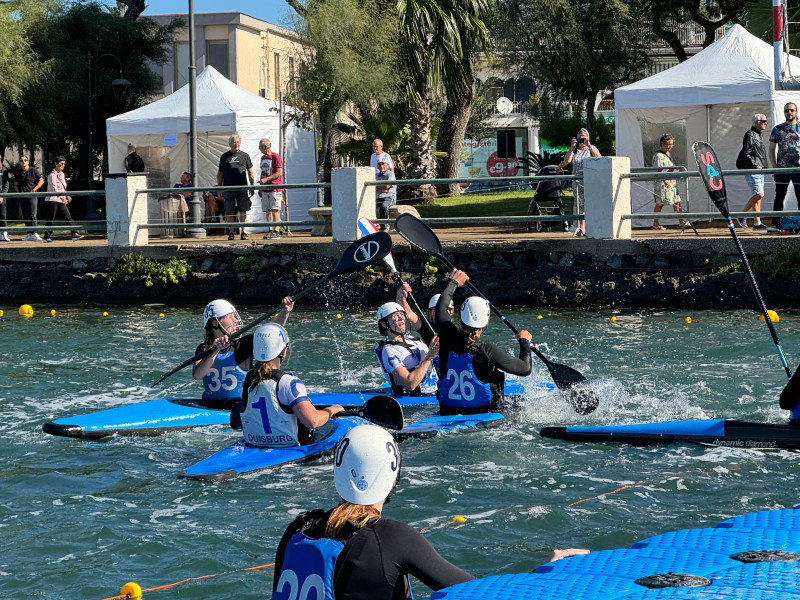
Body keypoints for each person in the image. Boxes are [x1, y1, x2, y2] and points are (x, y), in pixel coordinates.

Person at [271, 424, 588, 600]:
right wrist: (544, 572)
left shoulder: (297, 528)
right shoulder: (392, 537)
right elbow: (478, 594)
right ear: (393, 476)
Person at [231, 322, 343, 447]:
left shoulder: (246, 380)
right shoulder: (289, 383)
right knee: (331, 424)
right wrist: (332, 409)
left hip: (255, 444)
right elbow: (313, 421)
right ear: (283, 351)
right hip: (291, 447)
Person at [435, 270, 532, 415]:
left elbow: (441, 307)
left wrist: (454, 282)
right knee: (521, 402)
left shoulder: (446, 335)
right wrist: (524, 342)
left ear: (460, 318)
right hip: (485, 414)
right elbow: (525, 368)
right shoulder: (488, 350)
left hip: (448, 411)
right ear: (485, 324)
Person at [192, 296, 293, 408]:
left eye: (234, 316)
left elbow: (269, 332)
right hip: (208, 406)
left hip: (238, 407)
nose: (235, 320)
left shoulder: (242, 345)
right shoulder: (204, 349)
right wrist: (215, 350)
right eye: (230, 317)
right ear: (215, 323)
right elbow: (197, 375)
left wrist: (285, 311)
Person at [375, 295, 439, 396]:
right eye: (395, 316)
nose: (401, 318)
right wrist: (429, 356)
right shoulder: (389, 350)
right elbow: (410, 384)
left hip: (435, 391)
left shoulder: (414, 340)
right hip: (415, 396)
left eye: (402, 314)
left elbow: (438, 364)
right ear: (384, 324)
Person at [557, 128, 600, 237]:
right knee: (579, 203)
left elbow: (599, 158)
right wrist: (571, 146)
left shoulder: (591, 148)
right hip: (577, 181)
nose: (582, 141)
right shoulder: (575, 150)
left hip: (589, 180)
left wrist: (589, 144)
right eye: (580, 138)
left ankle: (584, 226)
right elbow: (567, 161)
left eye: (584, 138)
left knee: (587, 203)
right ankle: (580, 226)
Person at [768, 102, 800, 229]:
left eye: (791, 110)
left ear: (796, 112)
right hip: (782, 169)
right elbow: (771, 148)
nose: (789, 113)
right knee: (779, 196)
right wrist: (774, 166)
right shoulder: (778, 129)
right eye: (787, 110)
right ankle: (776, 223)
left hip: (798, 169)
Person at [217, 134, 254, 241]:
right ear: (229, 144)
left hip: (242, 187)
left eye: (237, 142)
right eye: (234, 142)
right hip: (228, 188)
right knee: (229, 210)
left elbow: (250, 172)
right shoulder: (224, 157)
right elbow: (220, 173)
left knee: (243, 210)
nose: (236, 144)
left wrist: (251, 186)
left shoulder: (245, 156)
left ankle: (243, 232)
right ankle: (231, 232)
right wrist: (219, 187)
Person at [737, 114, 769, 229]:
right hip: (753, 168)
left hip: (759, 168)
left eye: (766, 121)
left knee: (759, 196)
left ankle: (757, 222)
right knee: (758, 194)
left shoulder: (758, 135)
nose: (765, 123)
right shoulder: (750, 134)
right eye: (763, 121)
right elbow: (746, 152)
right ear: (755, 122)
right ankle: (742, 215)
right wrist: (755, 165)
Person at [43, 156, 83, 242]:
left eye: (64, 164)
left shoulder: (62, 174)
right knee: (51, 218)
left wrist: (64, 197)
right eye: (61, 164)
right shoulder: (52, 175)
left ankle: (74, 233)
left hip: (61, 199)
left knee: (67, 216)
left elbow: (63, 187)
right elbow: (54, 188)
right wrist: (62, 197)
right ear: (56, 164)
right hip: (52, 199)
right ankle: (46, 237)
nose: (63, 165)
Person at [650, 134, 685, 230]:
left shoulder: (667, 155)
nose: (670, 146)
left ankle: (681, 222)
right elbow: (658, 169)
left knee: (676, 201)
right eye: (668, 144)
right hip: (662, 182)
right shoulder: (658, 156)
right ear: (662, 144)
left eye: (671, 144)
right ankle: (655, 223)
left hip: (671, 181)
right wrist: (665, 180)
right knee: (660, 203)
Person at [257, 138, 284, 240]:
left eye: (260, 146)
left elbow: (278, 172)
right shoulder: (263, 158)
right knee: (267, 210)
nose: (259, 149)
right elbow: (262, 172)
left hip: (274, 187)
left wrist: (266, 179)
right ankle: (270, 230)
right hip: (265, 188)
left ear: (265, 146)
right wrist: (260, 187)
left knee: (274, 209)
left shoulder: (275, 157)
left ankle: (276, 230)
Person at [14, 156, 44, 241]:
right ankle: (29, 233)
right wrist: (18, 193)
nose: (23, 162)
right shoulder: (19, 173)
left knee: (32, 215)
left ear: (28, 161)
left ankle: (35, 233)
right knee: (25, 215)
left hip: (32, 196)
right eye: (21, 160)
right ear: (20, 162)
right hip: (22, 196)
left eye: (25, 160)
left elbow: (41, 180)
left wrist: (34, 189)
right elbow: (15, 184)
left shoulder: (33, 170)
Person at [375, 156, 396, 228]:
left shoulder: (390, 174)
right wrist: (382, 188)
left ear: (387, 165)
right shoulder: (376, 175)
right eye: (380, 164)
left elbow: (387, 186)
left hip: (389, 197)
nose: (381, 166)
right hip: (378, 197)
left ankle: (385, 226)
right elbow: (372, 187)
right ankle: (375, 225)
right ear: (377, 166)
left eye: (383, 164)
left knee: (384, 207)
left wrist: (377, 187)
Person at [0, 165, 9, 242]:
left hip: (2, 196)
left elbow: (6, 184)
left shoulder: (4, 171)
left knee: (3, 215)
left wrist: (2, 195)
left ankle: (5, 234)